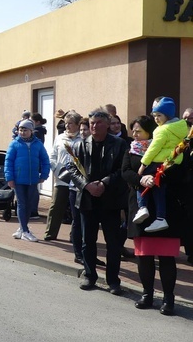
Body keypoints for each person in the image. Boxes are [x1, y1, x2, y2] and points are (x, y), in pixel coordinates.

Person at [58, 109, 129, 294]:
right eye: (91, 123)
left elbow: (123, 171)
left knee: (113, 243)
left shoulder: (119, 144)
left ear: (107, 124)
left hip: (110, 201)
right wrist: (87, 185)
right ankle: (90, 275)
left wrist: (104, 183)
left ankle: (113, 280)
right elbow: (72, 169)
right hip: (88, 200)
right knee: (87, 241)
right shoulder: (81, 145)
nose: (94, 126)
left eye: (98, 123)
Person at [122, 115, 184, 315]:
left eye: (139, 130)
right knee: (145, 257)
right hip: (142, 211)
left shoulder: (172, 148)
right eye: (133, 130)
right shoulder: (131, 149)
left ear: (151, 131)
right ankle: (147, 294)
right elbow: (125, 172)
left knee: (166, 258)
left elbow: (182, 174)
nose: (135, 134)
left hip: (166, 211)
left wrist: (158, 177)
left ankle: (168, 299)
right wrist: (142, 179)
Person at [134, 97, 188, 233]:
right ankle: (160, 217)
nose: (156, 119)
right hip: (174, 161)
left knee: (143, 181)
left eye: (159, 115)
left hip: (159, 161)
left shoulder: (162, 130)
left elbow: (153, 148)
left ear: (167, 115)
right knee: (159, 188)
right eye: (154, 115)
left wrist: (143, 164)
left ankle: (142, 207)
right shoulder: (181, 127)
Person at [5, 119, 50, 242]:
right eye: (20, 130)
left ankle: (21, 228)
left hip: (33, 180)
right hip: (18, 180)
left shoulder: (38, 144)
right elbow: (8, 161)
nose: (22, 132)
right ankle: (25, 231)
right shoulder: (14, 144)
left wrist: (44, 175)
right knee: (21, 203)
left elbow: (45, 160)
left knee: (30, 204)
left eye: (25, 130)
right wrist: (9, 178)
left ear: (31, 131)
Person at [45, 111, 82, 241]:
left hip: (77, 179)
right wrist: (56, 169)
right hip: (61, 177)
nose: (67, 126)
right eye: (66, 123)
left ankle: (75, 236)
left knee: (75, 210)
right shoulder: (60, 138)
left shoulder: (83, 138)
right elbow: (53, 156)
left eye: (70, 123)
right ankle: (50, 233)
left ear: (78, 125)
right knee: (56, 206)